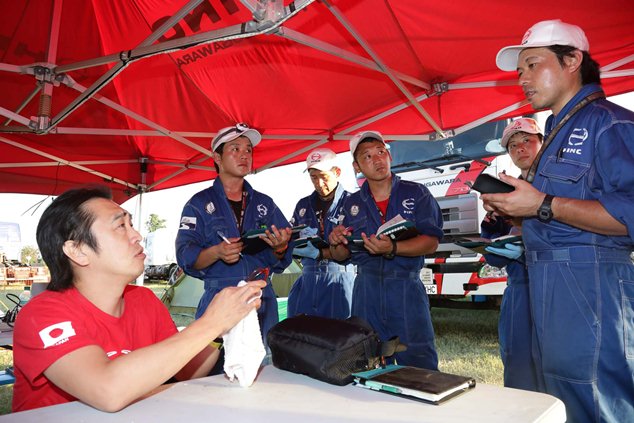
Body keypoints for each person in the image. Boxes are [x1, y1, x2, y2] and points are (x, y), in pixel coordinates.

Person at [485, 19, 634, 422]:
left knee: (596, 402)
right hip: (546, 286)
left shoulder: (609, 123)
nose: (523, 79)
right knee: (558, 404)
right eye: (520, 71)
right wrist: (518, 205)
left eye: (533, 64)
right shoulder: (557, 131)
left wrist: (542, 204)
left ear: (572, 60)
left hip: (591, 284)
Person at [12, 186, 266, 412]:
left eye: (131, 224)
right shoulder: (40, 315)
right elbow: (107, 390)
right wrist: (210, 323)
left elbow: (187, 371)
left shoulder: (143, 300)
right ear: (78, 250)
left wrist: (220, 329)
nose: (137, 235)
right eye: (120, 226)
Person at [328, 131, 444, 369]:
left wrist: (392, 247)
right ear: (357, 165)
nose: (377, 160)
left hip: (405, 288)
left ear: (389, 155)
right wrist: (336, 242)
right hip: (366, 290)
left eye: (381, 152)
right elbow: (341, 256)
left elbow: (431, 242)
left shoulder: (416, 193)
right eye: (367, 156)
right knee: (366, 358)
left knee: (417, 358)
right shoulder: (351, 204)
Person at [175, 123, 293, 347]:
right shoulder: (199, 204)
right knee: (211, 374)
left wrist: (280, 248)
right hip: (219, 299)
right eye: (235, 149)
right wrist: (216, 252)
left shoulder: (265, 204)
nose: (244, 155)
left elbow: (281, 257)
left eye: (248, 150)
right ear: (217, 158)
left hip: (261, 299)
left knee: (264, 371)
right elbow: (185, 256)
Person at [480, 118, 543, 391]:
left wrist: (527, 224)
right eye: (513, 145)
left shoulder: (563, 186)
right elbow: (494, 256)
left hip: (563, 283)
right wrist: (495, 223)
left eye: (527, 141)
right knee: (518, 368)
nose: (520, 149)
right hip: (520, 287)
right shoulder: (505, 193)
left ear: (543, 142)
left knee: (564, 369)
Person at [287, 148, 355, 319]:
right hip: (308, 279)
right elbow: (290, 238)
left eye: (323, 177)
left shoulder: (353, 203)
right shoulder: (302, 205)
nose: (319, 183)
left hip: (341, 279)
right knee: (304, 337)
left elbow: (357, 246)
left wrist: (321, 253)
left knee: (342, 338)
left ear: (337, 172)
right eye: (313, 177)